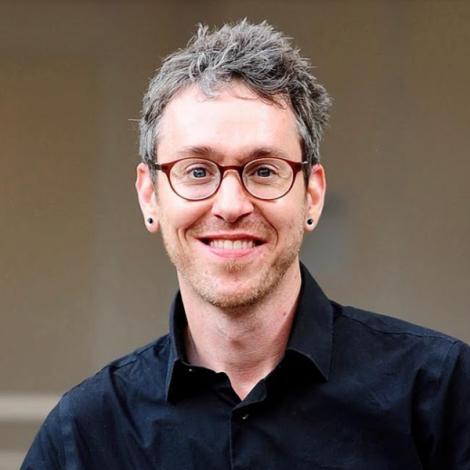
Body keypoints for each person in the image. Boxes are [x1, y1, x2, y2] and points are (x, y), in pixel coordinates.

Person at [22, 20, 470, 469]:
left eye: (263, 170)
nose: (232, 205)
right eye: (197, 171)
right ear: (149, 196)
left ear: (312, 194)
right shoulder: (82, 436)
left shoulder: (441, 394)